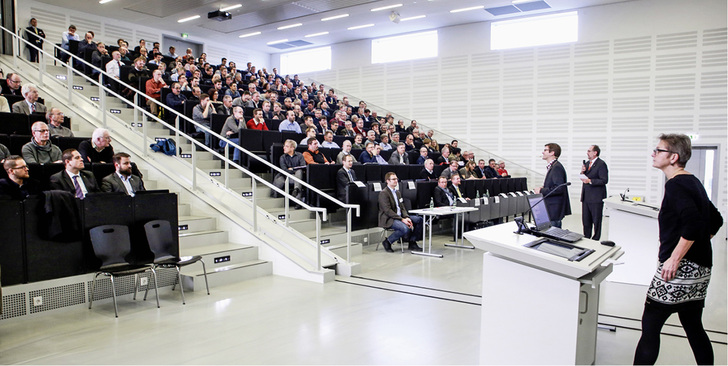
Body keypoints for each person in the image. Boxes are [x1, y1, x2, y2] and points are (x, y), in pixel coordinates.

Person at [633, 133, 723, 365]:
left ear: (673, 157)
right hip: (701, 270)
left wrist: (675, 258)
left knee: (650, 327)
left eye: (658, 150)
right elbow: (716, 219)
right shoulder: (692, 181)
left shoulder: (676, 185)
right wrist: (700, 244)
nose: (653, 153)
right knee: (694, 326)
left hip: (678, 271)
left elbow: (693, 224)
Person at [378, 172, 423, 252]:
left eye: (396, 179)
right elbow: (387, 211)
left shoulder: (397, 192)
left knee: (419, 220)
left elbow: (402, 207)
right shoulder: (384, 193)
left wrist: (406, 217)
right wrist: (402, 219)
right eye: (393, 179)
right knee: (405, 229)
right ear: (387, 181)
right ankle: (387, 242)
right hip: (389, 218)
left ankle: (412, 242)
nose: (396, 181)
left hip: (400, 217)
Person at [534, 143, 570, 228]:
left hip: (554, 209)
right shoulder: (553, 166)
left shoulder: (556, 167)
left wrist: (541, 191)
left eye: (545, 150)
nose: (543, 152)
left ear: (552, 153)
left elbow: (558, 188)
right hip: (552, 208)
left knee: (553, 235)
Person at [580, 145, 609, 240]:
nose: (587, 153)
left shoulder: (601, 164)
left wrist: (590, 181)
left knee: (596, 220)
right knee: (586, 220)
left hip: (596, 197)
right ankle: (586, 238)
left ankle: (596, 239)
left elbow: (604, 180)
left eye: (589, 151)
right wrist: (582, 172)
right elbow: (585, 178)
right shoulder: (587, 164)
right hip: (586, 197)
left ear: (595, 152)